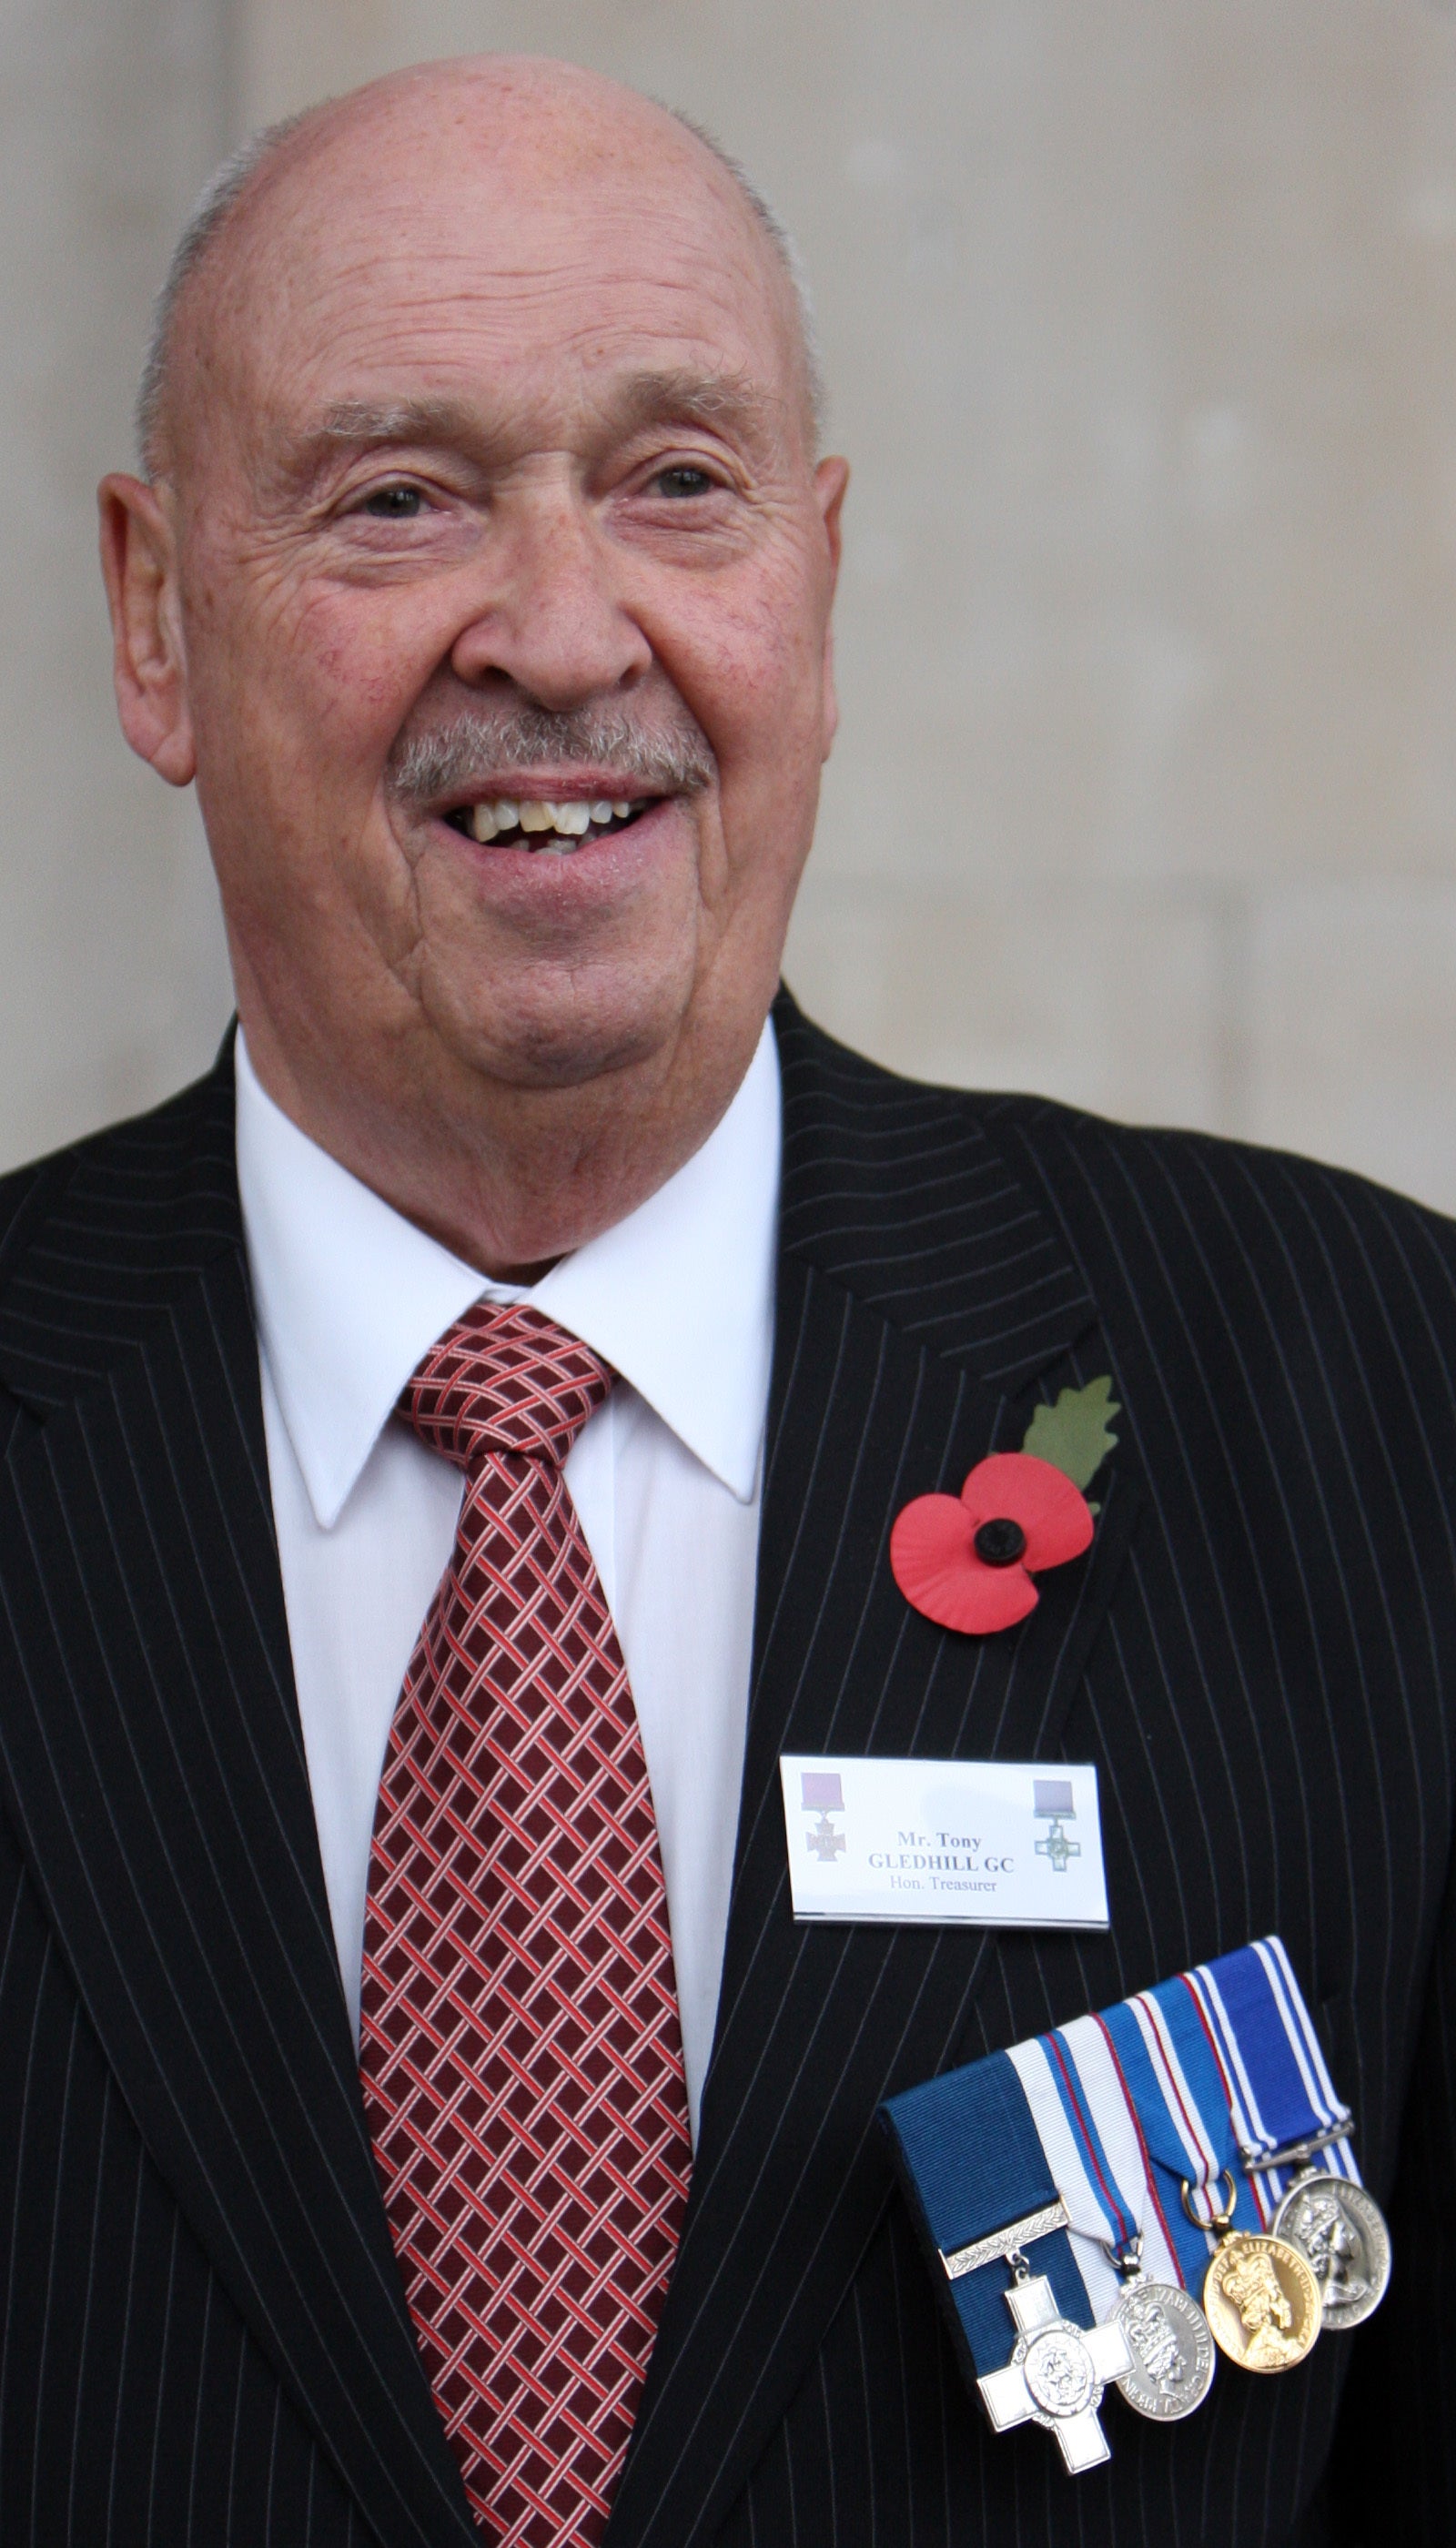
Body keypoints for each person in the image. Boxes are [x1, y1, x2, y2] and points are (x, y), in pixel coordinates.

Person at [0, 49, 1450, 2548]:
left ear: (820, 571)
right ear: (155, 617)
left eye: (678, 482)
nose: (565, 635)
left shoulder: (1371, 1406)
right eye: (397, 497)